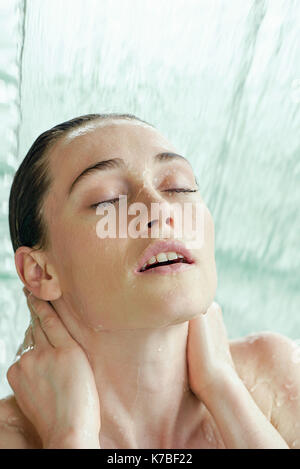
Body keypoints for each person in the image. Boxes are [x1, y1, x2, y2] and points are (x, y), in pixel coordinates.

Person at [0, 113, 299, 449]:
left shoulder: (277, 376)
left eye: (178, 187)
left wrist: (225, 388)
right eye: (108, 200)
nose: (158, 209)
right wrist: (71, 435)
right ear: (40, 272)